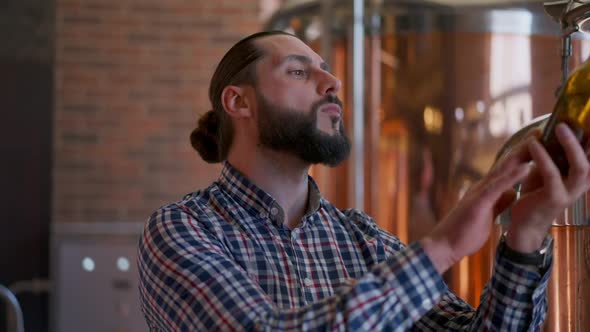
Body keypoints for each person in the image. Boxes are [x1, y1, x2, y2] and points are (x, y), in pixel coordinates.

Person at [137, 31, 590, 331]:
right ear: (239, 102)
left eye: (325, 70)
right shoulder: (182, 230)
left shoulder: (362, 238)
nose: (332, 81)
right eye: (299, 71)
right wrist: (442, 247)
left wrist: (526, 236)